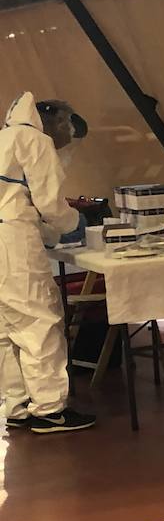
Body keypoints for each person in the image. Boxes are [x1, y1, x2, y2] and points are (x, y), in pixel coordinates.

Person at [0, 94, 95, 434]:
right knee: (38, 322)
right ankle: (50, 409)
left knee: (6, 330)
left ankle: (17, 405)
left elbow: (14, 202)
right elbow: (50, 205)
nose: (67, 138)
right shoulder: (34, 141)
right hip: (12, 244)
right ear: (53, 123)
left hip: (5, 238)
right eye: (67, 129)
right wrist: (73, 225)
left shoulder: (4, 137)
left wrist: (49, 233)